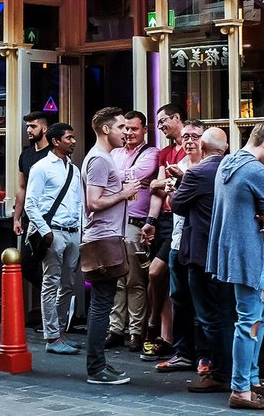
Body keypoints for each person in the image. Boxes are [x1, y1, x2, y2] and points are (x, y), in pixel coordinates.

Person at [207, 122, 264, 410]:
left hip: (229, 249)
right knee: (249, 321)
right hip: (248, 253)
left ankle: (251, 380)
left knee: (260, 315)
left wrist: (262, 212)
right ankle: (241, 390)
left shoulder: (227, 163)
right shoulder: (258, 171)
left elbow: (241, 205)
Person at [171, 127, 236, 394]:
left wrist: (178, 185)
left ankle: (219, 373)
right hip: (228, 251)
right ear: (225, 147)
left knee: (208, 316)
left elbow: (177, 205)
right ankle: (236, 372)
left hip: (200, 252)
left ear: (204, 148)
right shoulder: (232, 170)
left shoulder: (197, 173)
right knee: (229, 313)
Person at [81, 106, 138, 385]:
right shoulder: (100, 160)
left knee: (103, 303)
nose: (125, 132)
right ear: (106, 129)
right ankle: (96, 368)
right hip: (102, 237)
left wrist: (121, 192)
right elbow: (93, 202)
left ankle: (99, 363)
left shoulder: (103, 158)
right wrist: (124, 193)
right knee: (102, 304)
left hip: (107, 236)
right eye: (121, 127)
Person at [144, 119, 204, 372]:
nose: (189, 141)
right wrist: (168, 191)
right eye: (187, 137)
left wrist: (177, 186)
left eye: (195, 137)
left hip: (200, 242)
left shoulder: (208, 167)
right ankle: (182, 352)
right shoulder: (178, 165)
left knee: (202, 301)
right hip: (178, 238)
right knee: (179, 298)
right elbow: (171, 200)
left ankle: (205, 356)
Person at [25, 122, 85, 355]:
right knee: (51, 284)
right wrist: (45, 231)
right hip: (53, 231)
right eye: (69, 138)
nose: (73, 141)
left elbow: (78, 204)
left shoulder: (74, 168)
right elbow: (31, 202)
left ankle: (61, 332)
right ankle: (52, 337)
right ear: (56, 141)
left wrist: (81, 232)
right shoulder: (41, 167)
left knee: (68, 284)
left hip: (72, 231)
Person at [107, 109, 160, 352]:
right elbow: (106, 178)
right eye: (126, 128)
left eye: (134, 129)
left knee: (135, 281)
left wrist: (116, 178)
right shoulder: (114, 152)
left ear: (144, 130)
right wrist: (121, 179)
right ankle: (115, 328)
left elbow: (138, 174)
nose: (128, 133)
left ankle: (136, 332)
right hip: (113, 221)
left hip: (136, 223)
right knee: (117, 280)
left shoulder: (152, 153)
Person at [139, 102, 186, 362]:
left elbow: (167, 183)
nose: (160, 127)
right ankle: (164, 337)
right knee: (159, 277)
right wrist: (150, 220)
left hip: (182, 221)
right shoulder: (165, 153)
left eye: (163, 121)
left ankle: (155, 325)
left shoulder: (190, 152)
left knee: (158, 272)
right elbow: (155, 189)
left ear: (177, 118)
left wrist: (164, 183)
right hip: (165, 219)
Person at [13, 111, 52, 235]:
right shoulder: (25, 155)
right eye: (27, 126)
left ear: (45, 129)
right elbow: (21, 187)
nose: (29, 130)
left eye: (33, 126)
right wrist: (16, 218)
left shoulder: (54, 154)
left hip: (51, 217)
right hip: (30, 218)